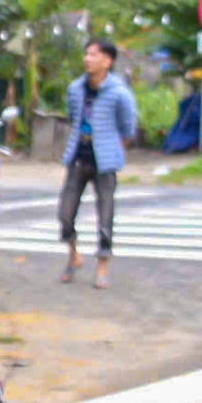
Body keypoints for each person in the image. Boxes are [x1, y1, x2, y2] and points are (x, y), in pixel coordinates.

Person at [56, 39, 137, 290]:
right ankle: (73, 255)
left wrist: (114, 143)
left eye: (93, 55)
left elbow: (128, 125)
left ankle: (103, 266)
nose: (87, 59)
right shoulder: (75, 89)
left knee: (105, 216)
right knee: (65, 213)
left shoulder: (119, 92)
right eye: (86, 54)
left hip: (105, 162)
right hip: (78, 157)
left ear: (107, 61)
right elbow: (73, 116)